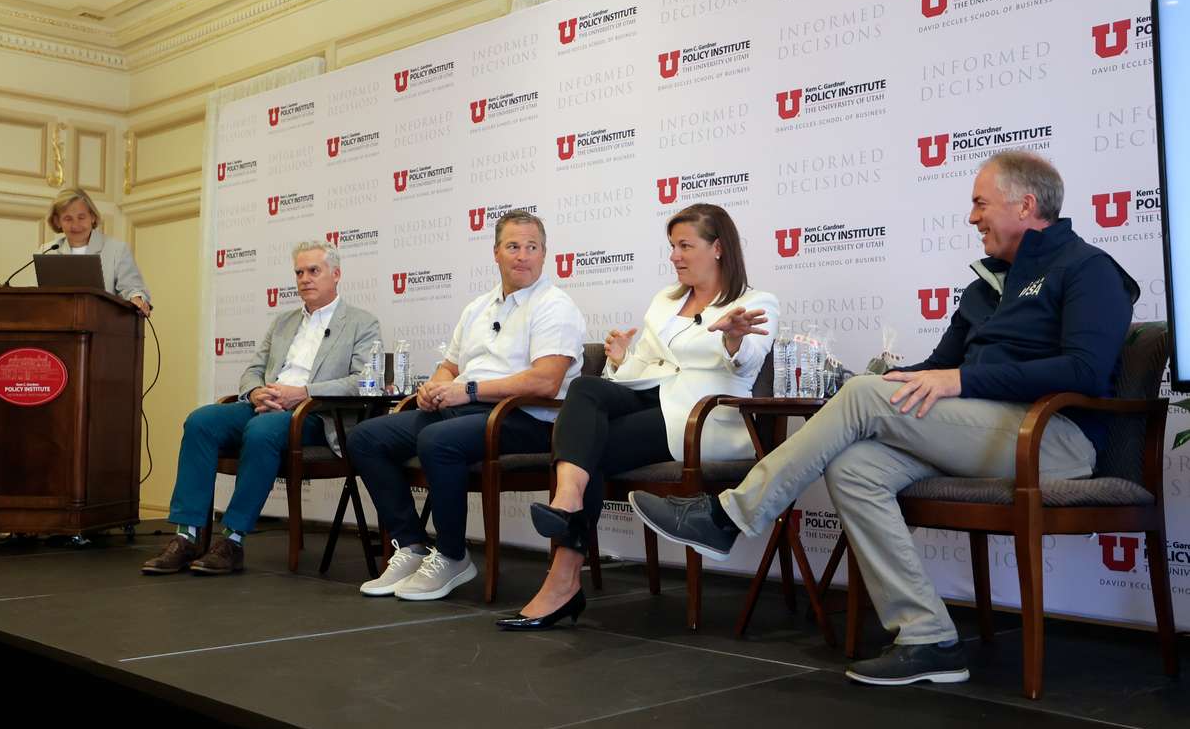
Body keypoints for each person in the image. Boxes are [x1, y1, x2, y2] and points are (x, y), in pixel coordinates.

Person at [631, 151, 1138, 685]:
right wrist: (876, 379)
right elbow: (937, 366)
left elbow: (1084, 369)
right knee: (854, 466)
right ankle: (928, 637)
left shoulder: (1087, 268)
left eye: (980, 204)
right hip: (979, 433)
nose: (972, 218)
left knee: (864, 398)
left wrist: (959, 382)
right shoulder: (985, 287)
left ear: (1026, 205)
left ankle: (728, 517)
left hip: (1052, 440)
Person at [496, 203, 780, 630]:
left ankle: (562, 580)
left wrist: (734, 341)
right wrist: (620, 360)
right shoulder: (666, 301)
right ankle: (567, 505)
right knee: (586, 389)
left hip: (700, 420)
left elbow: (747, 365)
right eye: (672, 246)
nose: (675, 256)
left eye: (685, 246)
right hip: (652, 398)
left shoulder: (755, 302)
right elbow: (641, 370)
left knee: (587, 452)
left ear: (718, 248)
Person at [346, 210, 586, 601]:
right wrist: (435, 387)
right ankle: (411, 546)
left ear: (545, 254)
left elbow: (546, 382)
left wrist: (469, 390)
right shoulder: (478, 307)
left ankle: (453, 555)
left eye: (532, 247)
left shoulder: (555, 306)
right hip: (464, 411)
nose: (522, 256)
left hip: (524, 420)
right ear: (496, 253)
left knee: (438, 440)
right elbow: (450, 366)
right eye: (513, 246)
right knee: (365, 438)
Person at [142, 240, 380, 574]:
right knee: (201, 421)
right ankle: (187, 535)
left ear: (336, 274)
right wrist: (255, 392)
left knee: (262, 429)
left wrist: (302, 392)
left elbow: (362, 381)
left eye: (314, 271)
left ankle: (232, 539)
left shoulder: (361, 323)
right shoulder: (283, 322)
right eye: (299, 272)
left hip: (315, 414)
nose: (305, 279)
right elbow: (254, 369)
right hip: (266, 405)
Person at [39, 187, 152, 316]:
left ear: (92, 216)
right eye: (68, 219)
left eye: (81, 217)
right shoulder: (46, 251)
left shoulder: (117, 250)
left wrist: (136, 298)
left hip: (105, 324)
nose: (75, 225)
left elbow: (132, 288)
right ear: (57, 221)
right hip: (58, 323)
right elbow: (33, 294)